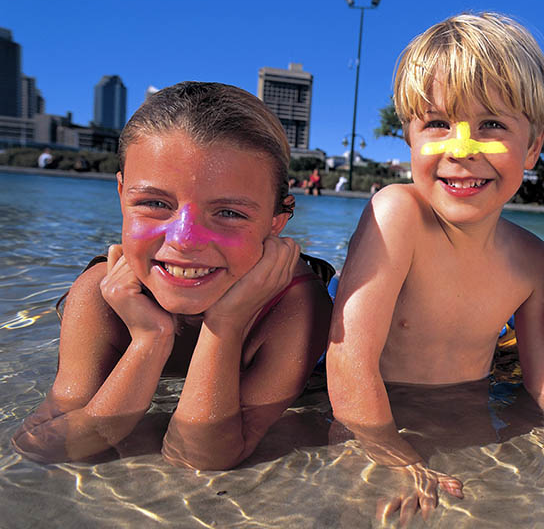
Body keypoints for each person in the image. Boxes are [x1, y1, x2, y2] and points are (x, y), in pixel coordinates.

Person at [326, 12, 544, 522]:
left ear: (533, 145)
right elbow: (347, 362)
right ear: (409, 137)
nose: (461, 148)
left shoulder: (531, 260)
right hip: (371, 413)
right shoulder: (398, 214)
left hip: (468, 407)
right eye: (438, 124)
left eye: (492, 125)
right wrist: (390, 453)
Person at [12, 82, 334, 470]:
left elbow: (198, 456)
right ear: (121, 196)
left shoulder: (295, 305)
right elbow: (38, 444)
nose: (184, 241)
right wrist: (149, 341)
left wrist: (227, 324)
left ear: (275, 221)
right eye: (154, 203)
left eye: (229, 213)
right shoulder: (103, 292)